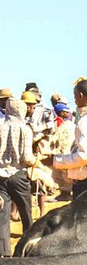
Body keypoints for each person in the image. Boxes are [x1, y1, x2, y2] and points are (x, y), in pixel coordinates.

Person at [0, 98, 35, 254]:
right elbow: (28, 158)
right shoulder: (25, 129)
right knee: (26, 213)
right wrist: (35, 160)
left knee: (3, 217)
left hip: (1, 176)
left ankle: (4, 253)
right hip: (19, 175)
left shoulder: (0, 127)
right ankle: (28, 248)